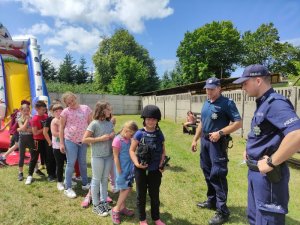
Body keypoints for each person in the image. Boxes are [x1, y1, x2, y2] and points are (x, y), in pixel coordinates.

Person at [233, 64, 300, 225]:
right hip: (256, 172)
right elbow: (263, 133)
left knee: (267, 220)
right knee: (255, 218)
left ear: (257, 81)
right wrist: (249, 149)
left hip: (268, 176)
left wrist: (271, 161)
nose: (242, 88)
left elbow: (296, 134)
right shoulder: (263, 103)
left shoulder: (275, 103)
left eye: (245, 83)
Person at [191, 77, 242, 225]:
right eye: (207, 88)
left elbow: (238, 123)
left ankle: (222, 211)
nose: (209, 91)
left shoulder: (227, 103)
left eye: (212, 89)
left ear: (219, 88)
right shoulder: (206, 103)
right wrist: (195, 139)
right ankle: (211, 201)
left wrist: (220, 133)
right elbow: (201, 123)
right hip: (205, 142)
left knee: (218, 174)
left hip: (217, 143)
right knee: (207, 171)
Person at [129, 105, 167, 225]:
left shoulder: (159, 134)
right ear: (144, 119)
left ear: (157, 121)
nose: (151, 121)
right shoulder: (139, 134)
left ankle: (156, 218)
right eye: (148, 119)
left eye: (154, 119)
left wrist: (161, 164)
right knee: (141, 196)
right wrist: (137, 164)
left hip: (155, 170)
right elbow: (131, 150)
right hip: (140, 170)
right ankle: (142, 219)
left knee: (154, 195)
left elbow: (163, 151)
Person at [82, 101, 115, 216]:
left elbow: (112, 136)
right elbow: (84, 139)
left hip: (108, 155)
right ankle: (96, 205)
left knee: (105, 179)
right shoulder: (94, 124)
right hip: (97, 157)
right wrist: (100, 139)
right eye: (108, 109)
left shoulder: (109, 123)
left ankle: (104, 202)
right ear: (102, 110)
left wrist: (113, 136)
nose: (110, 112)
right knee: (96, 180)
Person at [59, 91, 92, 198]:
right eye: (68, 103)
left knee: (82, 162)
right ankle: (67, 187)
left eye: (72, 100)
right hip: (70, 140)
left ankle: (85, 183)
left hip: (83, 140)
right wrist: (61, 143)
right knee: (71, 163)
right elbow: (61, 128)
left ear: (75, 98)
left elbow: (91, 124)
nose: (71, 103)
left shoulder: (86, 108)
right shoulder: (65, 112)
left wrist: (90, 139)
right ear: (66, 104)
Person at [111, 120, 138, 225]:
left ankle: (122, 207)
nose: (132, 136)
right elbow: (116, 157)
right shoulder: (117, 140)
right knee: (126, 188)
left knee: (126, 188)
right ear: (126, 130)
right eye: (131, 134)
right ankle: (116, 209)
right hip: (121, 169)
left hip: (129, 168)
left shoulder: (129, 140)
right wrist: (119, 170)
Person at [0, 99, 31, 166]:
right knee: (18, 144)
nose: (27, 111)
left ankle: (4, 157)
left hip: (17, 131)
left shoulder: (18, 113)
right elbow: (14, 121)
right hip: (18, 131)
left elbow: (11, 120)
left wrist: (5, 127)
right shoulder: (20, 113)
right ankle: (3, 157)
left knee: (18, 144)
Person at [25, 100, 48, 185]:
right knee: (34, 158)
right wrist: (45, 129)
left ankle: (51, 174)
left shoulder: (46, 116)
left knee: (47, 157)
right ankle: (30, 176)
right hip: (37, 141)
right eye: (42, 110)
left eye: (45, 109)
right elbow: (35, 132)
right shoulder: (34, 119)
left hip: (45, 140)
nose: (44, 111)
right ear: (37, 109)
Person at [50, 103, 66, 191]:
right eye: (56, 111)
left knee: (68, 163)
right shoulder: (54, 121)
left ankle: (68, 180)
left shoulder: (65, 119)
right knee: (60, 164)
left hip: (67, 145)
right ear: (53, 113)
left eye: (60, 110)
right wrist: (65, 135)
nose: (59, 112)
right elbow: (54, 133)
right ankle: (59, 182)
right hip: (57, 146)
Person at [16, 103, 34, 181]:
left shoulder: (32, 118)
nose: (26, 112)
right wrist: (26, 121)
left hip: (30, 138)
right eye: (24, 111)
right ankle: (20, 172)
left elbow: (33, 130)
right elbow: (22, 128)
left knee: (33, 155)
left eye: (28, 110)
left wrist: (22, 129)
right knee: (21, 156)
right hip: (22, 138)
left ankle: (35, 169)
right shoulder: (19, 119)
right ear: (21, 111)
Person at [43, 103, 57, 182]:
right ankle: (50, 174)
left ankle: (55, 173)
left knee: (57, 158)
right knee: (50, 158)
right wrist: (50, 142)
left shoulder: (60, 118)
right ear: (51, 111)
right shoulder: (49, 119)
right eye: (55, 110)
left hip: (58, 142)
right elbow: (45, 132)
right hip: (50, 142)